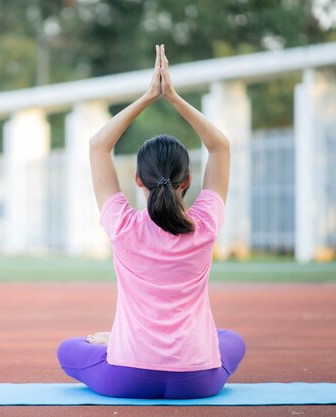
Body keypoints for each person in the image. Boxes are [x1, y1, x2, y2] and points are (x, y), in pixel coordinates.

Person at [57, 45, 245, 399]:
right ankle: (129, 340)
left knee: (68, 349)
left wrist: (148, 96)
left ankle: (117, 340)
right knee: (232, 340)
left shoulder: (122, 226)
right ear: (187, 181)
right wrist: (173, 97)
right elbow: (220, 147)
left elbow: (98, 146)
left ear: (138, 181)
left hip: (128, 377)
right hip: (198, 380)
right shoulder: (205, 224)